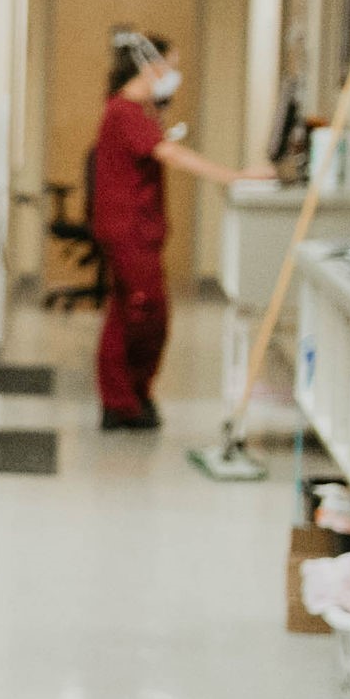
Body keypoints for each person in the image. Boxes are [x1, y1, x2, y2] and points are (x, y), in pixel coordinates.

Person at [89, 29, 267, 430]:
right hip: (128, 230)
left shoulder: (138, 112)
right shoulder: (124, 112)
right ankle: (124, 400)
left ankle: (129, 398)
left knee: (127, 313)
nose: (174, 75)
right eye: (171, 66)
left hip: (137, 230)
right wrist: (235, 176)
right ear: (149, 67)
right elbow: (168, 153)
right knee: (145, 315)